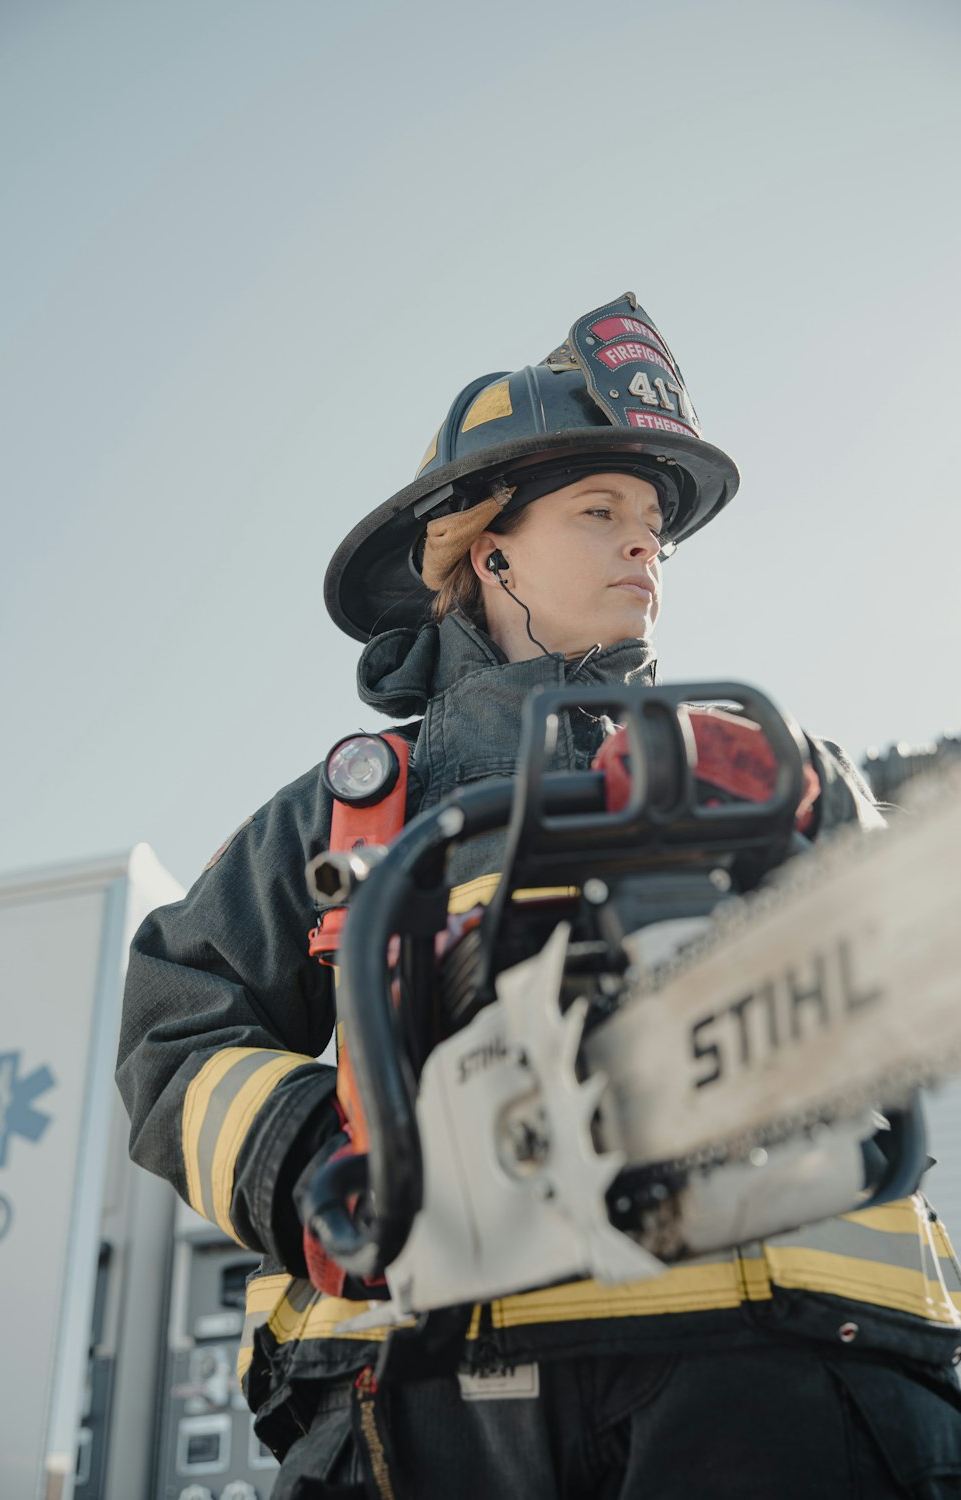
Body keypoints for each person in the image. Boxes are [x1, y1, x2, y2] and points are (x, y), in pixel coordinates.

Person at [117, 292, 961, 1499]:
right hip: (424, 1386)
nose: (645, 547)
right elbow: (169, 1021)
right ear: (488, 546)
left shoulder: (762, 765)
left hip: (788, 1360)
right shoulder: (350, 808)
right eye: (601, 510)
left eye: (656, 525)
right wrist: (323, 1163)